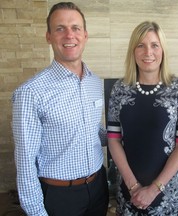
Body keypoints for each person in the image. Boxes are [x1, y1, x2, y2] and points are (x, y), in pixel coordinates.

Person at [12, 2, 108, 216]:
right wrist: (36, 212)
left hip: (98, 187)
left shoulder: (95, 82)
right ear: (48, 36)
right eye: (60, 28)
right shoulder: (30, 92)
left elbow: (93, 131)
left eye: (75, 28)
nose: (69, 35)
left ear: (85, 35)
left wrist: (125, 134)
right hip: (60, 196)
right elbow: (25, 161)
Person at [107, 21, 178, 215]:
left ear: (162, 50)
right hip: (129, 191)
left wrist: (154, 189)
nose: (148, 52)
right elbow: (113, 140)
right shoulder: (119, 89)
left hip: (168, 193)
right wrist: (133, 187)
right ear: (133, 51)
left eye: (154, 45)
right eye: (141, 45)